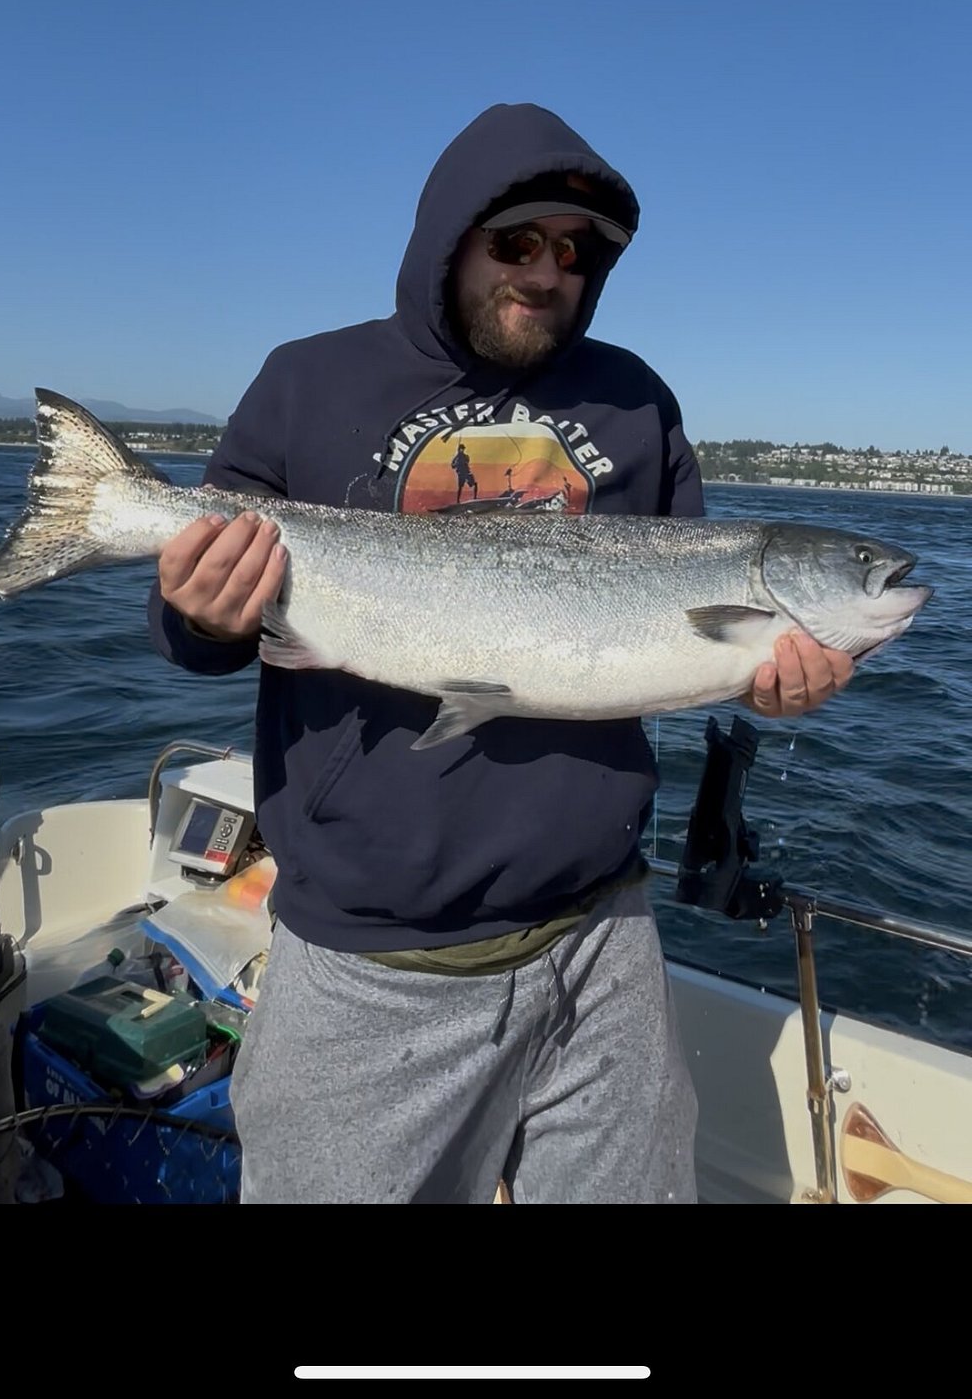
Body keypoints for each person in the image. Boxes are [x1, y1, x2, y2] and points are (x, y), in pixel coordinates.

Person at [147, 103, 854, 1203]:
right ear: (451, 235)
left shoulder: (636, 401)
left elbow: (681, 650)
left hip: (601, 932)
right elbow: (194, 641)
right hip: (368, 959)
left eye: (576, 252)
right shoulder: (305, 382)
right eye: (518, 239)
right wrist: (203, 612)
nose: (547, 271)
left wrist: (772, 683)